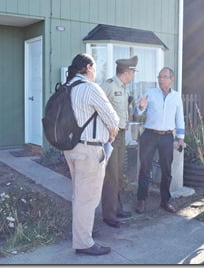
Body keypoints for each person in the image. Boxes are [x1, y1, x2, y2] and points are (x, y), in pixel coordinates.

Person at [63, 53, 119, 255]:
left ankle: (81, 236)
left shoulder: (68, 87)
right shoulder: (89, 88)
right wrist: (111, 133)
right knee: (87, 198)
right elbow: (113, 120)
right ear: (88, 67)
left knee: (79, 196)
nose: (95, 72)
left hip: (71, 148)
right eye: (94, 68)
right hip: (89, 150)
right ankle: (84, 242)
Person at [134, 67, 185, 214]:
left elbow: (179, 118)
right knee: (145, 168)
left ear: (172, 79)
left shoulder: (176, 96)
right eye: (159, 76)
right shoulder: (150, 93)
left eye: (164, 77)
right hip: (149, 135)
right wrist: (141, 106)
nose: (161, 79)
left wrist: (180, 138)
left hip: (167, 137)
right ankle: (141, 200)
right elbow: (137, 112)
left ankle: (165, 201)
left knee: (166, 170)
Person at [100, 56, 138, 228]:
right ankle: (108, 214)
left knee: (119, 173)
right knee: (111, 175)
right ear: (127, 72)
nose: (133, 75)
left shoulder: (124, 88)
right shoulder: (108, 86)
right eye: (133, 72)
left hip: (122, 134)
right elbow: (98, 109)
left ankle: (117, 208)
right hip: (111, 136)